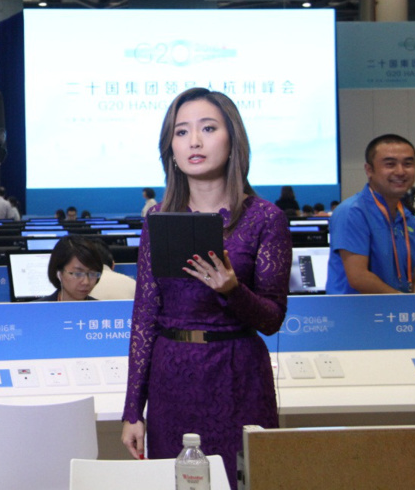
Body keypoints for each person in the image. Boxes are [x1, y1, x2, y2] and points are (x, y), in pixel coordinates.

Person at [120, 87, 291, 490]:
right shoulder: (158, 219)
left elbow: (272, 319)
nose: (194, 141)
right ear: (171, 150)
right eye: (181, 132)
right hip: (172, 375)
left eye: (208, 128)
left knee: (242, 481)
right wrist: (132, 410)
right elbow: (145, 316)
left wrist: (232, 290)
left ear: (233, 140)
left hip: (238, 374)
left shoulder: (266, 218)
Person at [326, 134, 415, 295]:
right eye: (390, 164)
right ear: (369, 170)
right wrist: (405, 304)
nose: (400, 171)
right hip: (355, 316)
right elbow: (359, 277)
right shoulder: (352, 212)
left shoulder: (408, 218)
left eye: (408, 164)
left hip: (396, 315)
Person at [38, 235, 104, 301]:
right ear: (59, 273)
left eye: (92, 274)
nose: (86, 282)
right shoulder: (36, 309)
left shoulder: (103, 309)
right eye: (78, 274)